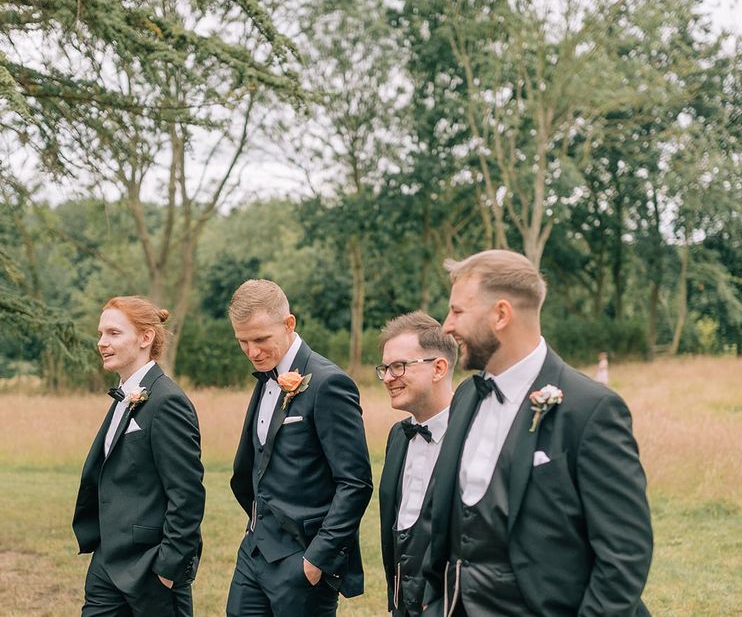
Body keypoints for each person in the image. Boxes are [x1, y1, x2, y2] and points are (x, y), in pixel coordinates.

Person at [422, 250, 653, 617]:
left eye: (458, 312)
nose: (446, 326)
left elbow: (624, 553)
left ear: (501, 314)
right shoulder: (466, 395)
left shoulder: (590, 409)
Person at [226, 279, 373, 617]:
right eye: (243, 341)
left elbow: (356, 483)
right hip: (254, 552)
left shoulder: (328, 383)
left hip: (302, 561)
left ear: (289, 324)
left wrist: (316, 559)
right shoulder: (266, 376)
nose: (252, 351)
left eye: (261, 339)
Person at [73, 296, 205, 617]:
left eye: (114, 334)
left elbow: (186, 495)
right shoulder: (124, 394)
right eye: (101, 334)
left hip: (150, 568)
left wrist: (167, 569)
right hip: (107, 561)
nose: (102, 343)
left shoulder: (167, 402)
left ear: (146, 338)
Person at [377, 312, 457, 616]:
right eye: (384, 368)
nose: (387, 378)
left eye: (398, 366)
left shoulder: (470, 435)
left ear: (438, 368)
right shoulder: (397, 436)